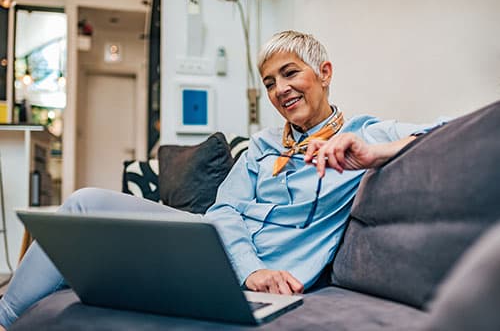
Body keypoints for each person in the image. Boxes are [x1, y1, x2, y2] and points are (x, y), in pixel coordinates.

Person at [0, 30, 438, 329]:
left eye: (290, 73)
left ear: (324, 72)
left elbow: (456, 128)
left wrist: (377, 152)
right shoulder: (263, 146)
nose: (280, 90)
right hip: (212, 252)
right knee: (83, 203)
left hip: (252, 277)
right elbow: (224, 210)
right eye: (270, 83)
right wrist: (252, 270)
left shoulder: (364, 134)